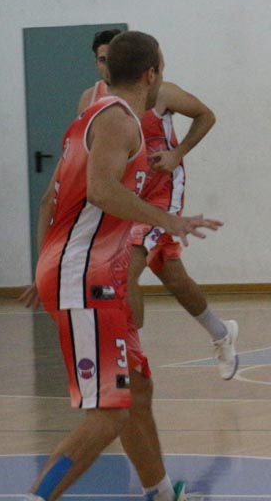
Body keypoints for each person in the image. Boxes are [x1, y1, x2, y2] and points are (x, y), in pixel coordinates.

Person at [25, 31, 221, 501]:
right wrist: (168, 219)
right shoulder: (116, 119)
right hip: (83, 277)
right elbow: (101, 191)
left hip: (87, 273)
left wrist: (44, 264)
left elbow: (52, 198)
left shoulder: (96, 114)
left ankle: (160, 492)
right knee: (110, 413)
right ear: (152, 74)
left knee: (138, 388)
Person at [78, 31, 238, 378]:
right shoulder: (91, 100)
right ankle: (221, 332)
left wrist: (177, 153)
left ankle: (130, 359)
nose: (108, 65)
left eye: (112, 58)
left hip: (161, 194)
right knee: (173, 276)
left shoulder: (161, 92)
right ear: (97, 62)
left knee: (125, 269)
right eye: (102, 59)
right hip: (123, 197)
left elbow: (206, 115)